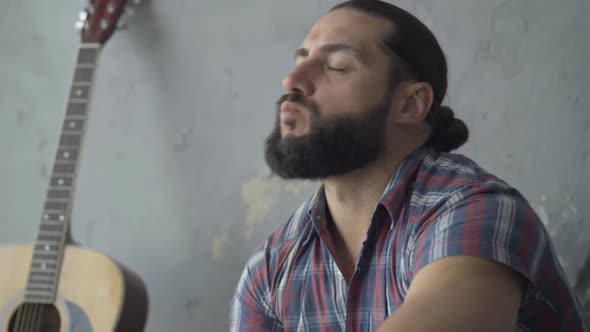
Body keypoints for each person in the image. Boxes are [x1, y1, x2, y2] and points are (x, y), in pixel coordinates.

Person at [230, 1, 587, 331]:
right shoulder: (270, 269)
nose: (292, 81)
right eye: (300, 60)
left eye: (337, 66)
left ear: (411, 104)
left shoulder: (478, 211)